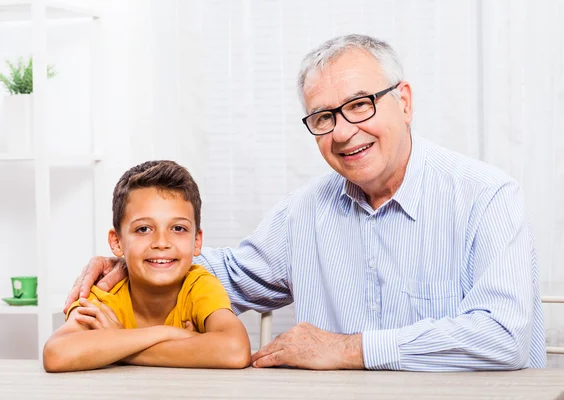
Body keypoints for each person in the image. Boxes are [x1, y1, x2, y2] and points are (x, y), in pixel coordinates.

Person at [64, 34, 546, 371]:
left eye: (361, 105)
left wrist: (349, 350)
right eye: (322, 117)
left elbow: (502, 337)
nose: (343, 131)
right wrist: (131, 258)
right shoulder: (305, 212)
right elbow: (226, 275)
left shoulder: (486, 196)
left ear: (405, 101)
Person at [44, 160, 251, 372]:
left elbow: (235, 350)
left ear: (197, 241)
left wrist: (118, 342)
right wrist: (169, 333)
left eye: (178, 228)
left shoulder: (199, 285)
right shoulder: (105, 293)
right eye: (143, 229)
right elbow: (56, 354)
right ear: (117, 242)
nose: (161, 242)